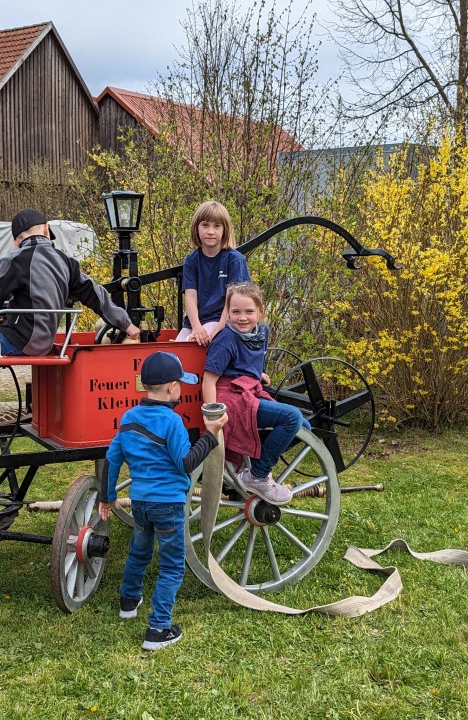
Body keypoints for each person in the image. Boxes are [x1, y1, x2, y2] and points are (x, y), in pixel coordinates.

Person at [0, 209, 140, 447]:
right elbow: (97, 296)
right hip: (45, 339)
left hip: (20, 338)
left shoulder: (15, 259)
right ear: (46, 229)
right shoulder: (67, 263)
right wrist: (126, 324)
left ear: (16, 240)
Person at [98, 351, 227, 651]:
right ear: (171, 387)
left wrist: (108, 496)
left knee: (139, 553)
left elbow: (112, 457)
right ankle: (158, 629)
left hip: (140, 503)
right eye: (181, 384)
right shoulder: (172, 422)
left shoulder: (129, 418)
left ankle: (128, 602)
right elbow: (185, 463)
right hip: (168, 505)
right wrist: (210, 435)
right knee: (171, 567)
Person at [201, 282, 309, 505]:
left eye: (249, 311)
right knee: (292, 417)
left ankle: (249, 462)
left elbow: (243, 361)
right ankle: (257, 476)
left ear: (260, 311)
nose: (242, 318)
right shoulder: (225, 339)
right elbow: (209, 381)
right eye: (235, 312)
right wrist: (213, 419)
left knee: (304, 428)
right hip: (229, 397)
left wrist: (257, 373)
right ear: (227, 312)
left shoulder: (262, 333)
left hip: (249, 389)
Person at [175, 200, 251, 346]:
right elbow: (190, 296)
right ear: (196, 228)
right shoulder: (192, 260)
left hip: (221, 320)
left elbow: (233, 300)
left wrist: (218, 330)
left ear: (224, 230)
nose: (210, 231)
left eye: (217, 226)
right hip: (195, 322)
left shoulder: (234, 259)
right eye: (205, 225)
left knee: (193, 345)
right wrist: (196, 327)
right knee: (175, 354)